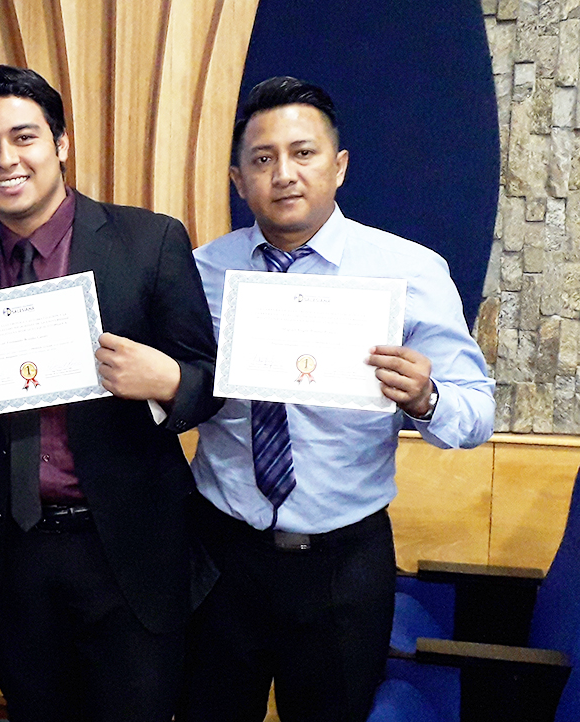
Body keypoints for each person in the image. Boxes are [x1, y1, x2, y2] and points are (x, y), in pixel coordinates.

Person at [178, 76, 496, 722]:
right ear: (237, 179)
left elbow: (476, 412)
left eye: (303, 153)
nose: (283, 174)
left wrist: (426, 398)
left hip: (340, 565)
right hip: (219, 555)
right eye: (262, 159)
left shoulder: (407, 271)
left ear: (339, 166)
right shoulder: (198, 270)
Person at [0, 65, 221, 721]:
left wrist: (166, 382)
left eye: (23, 136)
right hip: (16, 557)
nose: (5, 159)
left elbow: (209, 381)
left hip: (129, 557)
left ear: (59, 143)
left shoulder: (149, 241)